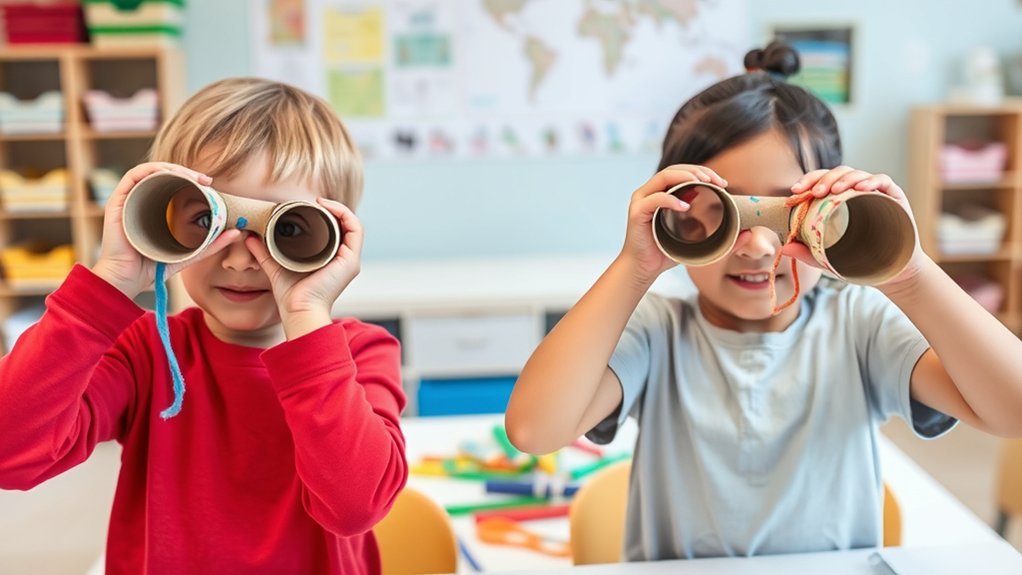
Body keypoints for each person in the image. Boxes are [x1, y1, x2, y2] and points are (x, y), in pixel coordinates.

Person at [505, 42, 1022, 561]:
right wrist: (634, 267)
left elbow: (1014, 411)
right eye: (720, 212)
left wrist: (906, 272)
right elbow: (533, 430)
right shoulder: (655, 332)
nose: (757, 248)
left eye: (791, 213)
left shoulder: (859, 327)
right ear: (675, 217)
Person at [0, 78, 407, 574]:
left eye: (287, 228)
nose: (238, 261)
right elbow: (10, 453)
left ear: (335, 239)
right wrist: (108, 285)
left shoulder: (360, 354)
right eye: (205, 221)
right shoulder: (143, 352)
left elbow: (355, 507)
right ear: (161, 220)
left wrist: (306, 316)